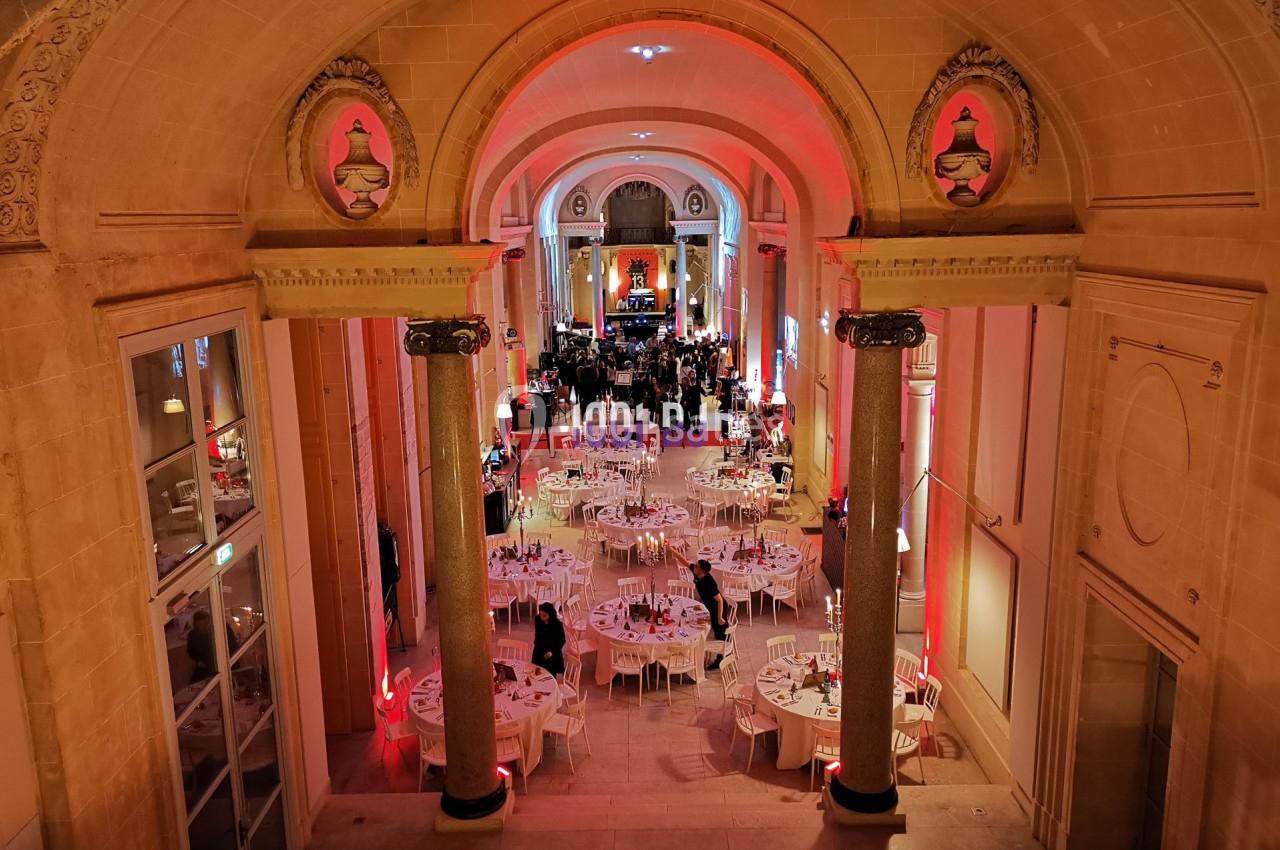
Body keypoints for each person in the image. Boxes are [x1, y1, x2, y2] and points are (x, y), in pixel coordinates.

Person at [689, 560, 727, 669]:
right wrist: (671, 549)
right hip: (709, 606)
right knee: (717, 631)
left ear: (701, 571)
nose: (693, 567)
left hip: (718, 608)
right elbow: (684, 561)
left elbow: (719, 600)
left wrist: (719, 617)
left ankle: (720, 660)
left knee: (720, 633)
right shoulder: (697, 572)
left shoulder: (709, 583)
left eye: (696, 566)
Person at [531, 601, 566, 677]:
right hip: (540, 648)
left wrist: (552, 651)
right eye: (540, 614)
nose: (542, 617)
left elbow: (562, 640)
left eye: (544, 615)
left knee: (550, 673)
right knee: (537, 671)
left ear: (550, 615)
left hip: (552, 649)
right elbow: (538, 635)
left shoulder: (558, 625)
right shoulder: (538, 620)